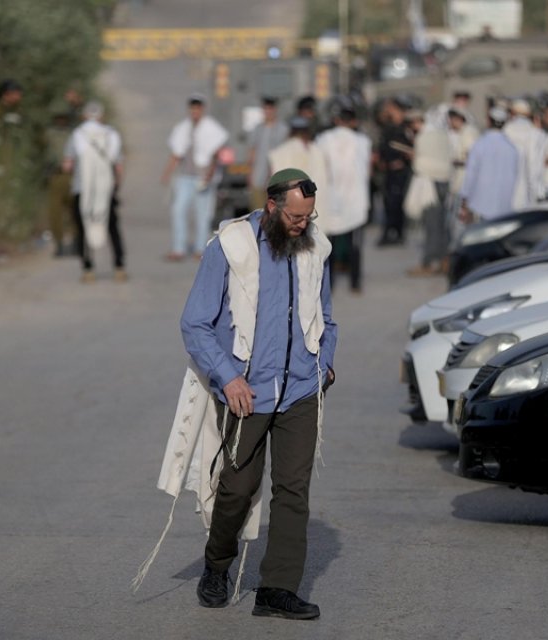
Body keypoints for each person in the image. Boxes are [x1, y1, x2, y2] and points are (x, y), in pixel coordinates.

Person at [178, 168, 337, 620]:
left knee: (293, 490)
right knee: (238, 487)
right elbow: (195, 323)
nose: (302, 224)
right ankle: (217, 565)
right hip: (246, 392)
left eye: (308, 216)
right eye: (294, 216)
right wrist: (228, 377)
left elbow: (326, 315)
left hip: (302, 390)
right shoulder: (231, 246)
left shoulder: (315, 247)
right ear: (271, 206)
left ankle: (278, 589)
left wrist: (325, 361)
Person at [162, 93, 229, 261]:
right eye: (192, 108)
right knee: (178, 210)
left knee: (203, 214)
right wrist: (167, 173)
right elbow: (176, 153)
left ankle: (201, 248)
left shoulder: (211, 128)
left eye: (198, 107)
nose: (195, 111)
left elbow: (216, 153)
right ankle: (179, 247)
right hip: (185, 176)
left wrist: (210, 174)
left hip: (202, 176)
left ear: (202, 109)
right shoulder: (183, 127)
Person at [64, 101, 125, 283]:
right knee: (111, 226)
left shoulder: (77, 135)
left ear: (84, 116)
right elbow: (118, 165)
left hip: (81, 189)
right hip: (105, 190)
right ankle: (119, 267)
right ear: (101, 116)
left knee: (83, 227)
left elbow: (68, 164)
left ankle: (88, 269)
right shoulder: (111, 134)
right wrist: (116, 186)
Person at [315, 106, 372, 293]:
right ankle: (355, 284)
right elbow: (368, 170)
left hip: (331, 198)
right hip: (356, 199)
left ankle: (329, 285)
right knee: (355, 244)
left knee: (328, 243)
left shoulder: (323, 140)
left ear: (337, 120)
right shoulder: (363, 141)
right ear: (354, 121)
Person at [405, 109, 452, 276]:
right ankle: (445, 260)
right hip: (444, 182)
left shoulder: (423, 137)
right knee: (442, 224)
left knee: (431, 225)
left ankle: (429, 263)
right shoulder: (443, 134)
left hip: (430, 184)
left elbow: (419, 164)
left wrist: (414, 158)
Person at [458, 107, 519, 224]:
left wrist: (464, 201)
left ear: (489, 121)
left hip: (480, 206)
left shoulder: (479, 145)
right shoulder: (512, 148)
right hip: (504, 207)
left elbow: (470, 175)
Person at [268, 117, 329, 229]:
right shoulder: (318, 152)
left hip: (289, 219)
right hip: (315, 216)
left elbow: (272, 185)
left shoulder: (279, 152)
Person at [42, 98, 77, 257]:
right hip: (55, 175)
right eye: (58, 116)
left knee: (75, 211)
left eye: (64, 116)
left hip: (72, 176)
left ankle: (77, 242)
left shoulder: (74, 133)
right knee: (55, 212)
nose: (61, 120)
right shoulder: (49, 133)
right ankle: (60, 244)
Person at [375, 98, 413, 246]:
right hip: (388, 171)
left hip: (400, 171)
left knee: (398, 203)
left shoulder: (404, 128)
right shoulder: (387, 127)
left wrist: (402, 162)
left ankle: (398, 233)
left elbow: (409, 149)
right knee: (388, 203)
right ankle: (388, 232)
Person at [245, 96, 290, 211]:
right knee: (258, 210)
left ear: (275, 110)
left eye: (270, 109)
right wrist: (249, 174)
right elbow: (252, 151)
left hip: (276, 177)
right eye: (265, 109)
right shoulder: (257, 129)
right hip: (258, 175)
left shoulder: (283, 129)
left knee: (275, 211)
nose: (268, 112)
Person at [503, 98, 548, 210]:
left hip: (506, 190)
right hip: (528, 192)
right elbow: (535, 166)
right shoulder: (536, 133)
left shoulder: (505, 131)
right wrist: (537, 192)